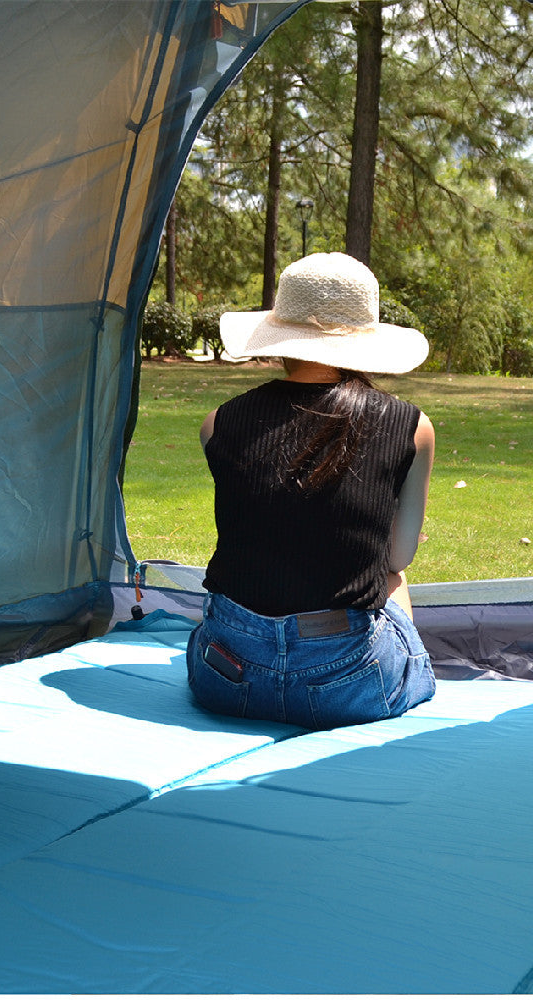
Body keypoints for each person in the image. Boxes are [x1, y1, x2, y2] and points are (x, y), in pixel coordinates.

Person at [187, 252, 436, 730]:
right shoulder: (411, 427)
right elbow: (398, 559)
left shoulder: (217, 423)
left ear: (280, 335)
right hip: (348, 682)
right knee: (395, 583)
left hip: (227, 675)